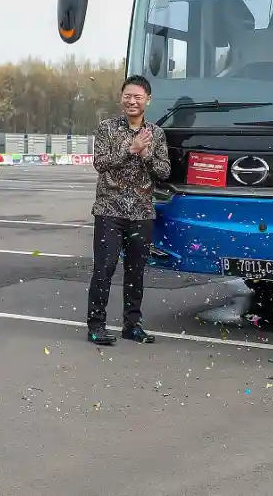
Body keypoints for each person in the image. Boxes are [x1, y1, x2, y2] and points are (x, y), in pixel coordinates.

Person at [87, 75, 170, 346]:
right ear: (120, 98)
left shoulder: (156, 133)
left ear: (148, 100)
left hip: (142, 212)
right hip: (109, 210)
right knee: (104, 268)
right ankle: (96, 325)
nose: (131, 101)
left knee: (136, 271)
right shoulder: (107, 128)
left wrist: (145, 154)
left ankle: (132, 325)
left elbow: (164, 171)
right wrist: (130, 149)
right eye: (127, 96)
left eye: (137, 97)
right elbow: (100, 163)